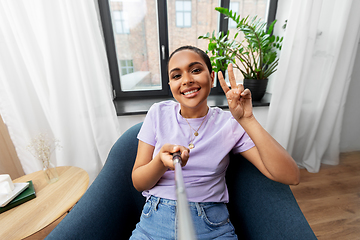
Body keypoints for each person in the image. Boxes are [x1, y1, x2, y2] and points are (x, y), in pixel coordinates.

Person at [130, 45, 300, 239]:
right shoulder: (157, 113)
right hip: (154, 224)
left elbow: (291, 176)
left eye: (195, 70)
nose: (186, 80)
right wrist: (160, 162)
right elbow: (139, 183)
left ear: (211, 78)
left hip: (212, 227)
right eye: (177, 76)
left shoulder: (230, 124)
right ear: (170, 85)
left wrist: (247, 119)